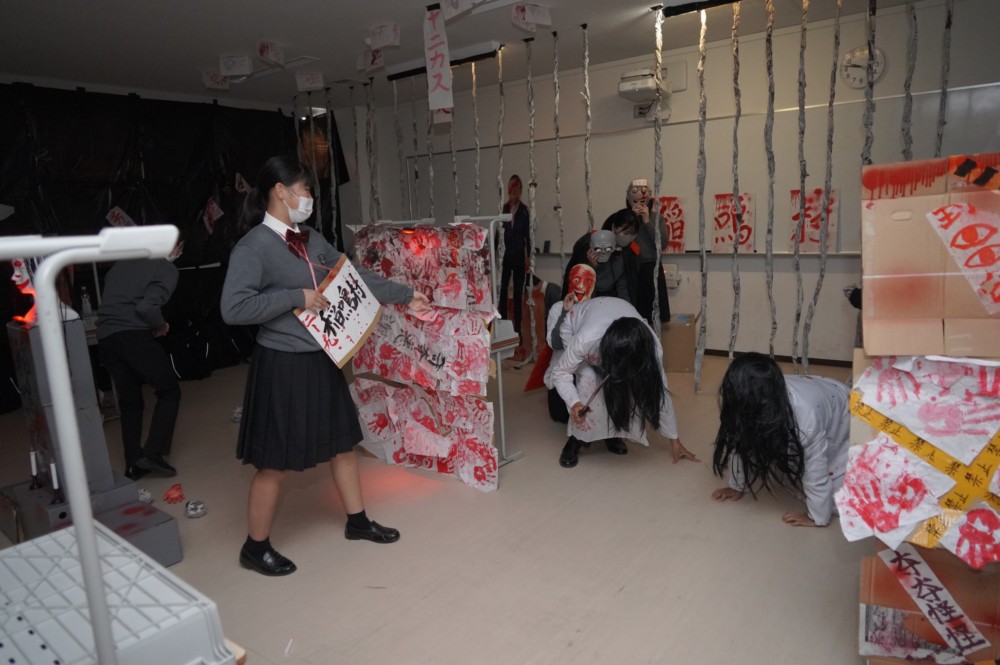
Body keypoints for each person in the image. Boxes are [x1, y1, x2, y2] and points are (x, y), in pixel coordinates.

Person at [221, 155, 432, 577]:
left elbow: (350, 275)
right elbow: (234, 308)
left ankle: (358, 521)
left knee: (341, 443)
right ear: (280, 192)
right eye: (305, 189)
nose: (309, 198)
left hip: (321, 355)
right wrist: (295, 297)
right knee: (275, 461)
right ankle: (255, 547)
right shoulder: (254, 246)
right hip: (282, 363)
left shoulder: (309, 238)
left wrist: (406, 295)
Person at [549, 296, 699, 468]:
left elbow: (660, 394)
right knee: (589, 381)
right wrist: (574, 403)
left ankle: (611, 434)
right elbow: (561, 372)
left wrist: (675, 440)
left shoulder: (652, 349)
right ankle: (576, 440)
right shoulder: (586, 339)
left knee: (624, 387)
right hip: (575, 325)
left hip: (614, 314)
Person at [710, 353, 851, 527]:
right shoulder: (739, 398)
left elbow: (816, 470)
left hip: (840, 405)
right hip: (811, 388)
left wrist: (817, 517)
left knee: (840, 499)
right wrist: (737, 486)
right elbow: (741, 440)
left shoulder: (806, 418)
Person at [96, 233, 185, 481]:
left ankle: (133, 465)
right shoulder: (166, 268)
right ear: (175, 246)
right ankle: (154, 453)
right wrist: (160, 325)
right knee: (169, 390)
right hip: (133, 336)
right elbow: (146, 307)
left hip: (106, 338)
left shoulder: (121, 265)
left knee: (130, 401)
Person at [561, 209, 641, 306]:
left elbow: (623, 285)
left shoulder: (627, 253)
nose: (629, 237)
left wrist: (628, 308)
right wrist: (591, 265)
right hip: (587, 297)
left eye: (633, 234)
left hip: (608, 297)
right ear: (614, 228)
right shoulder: (590, 243)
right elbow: (577, 279)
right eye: (626, 232)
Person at [621, 179, 671, 325]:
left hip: (651, 268)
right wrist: (631, 220)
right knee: (632, 313)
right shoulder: (622, 217)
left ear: (649, 195)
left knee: (654, 315)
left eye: (644, 191)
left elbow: (662, 244)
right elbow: (619, 241)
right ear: (628, 196)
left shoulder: (657, 218)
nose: (639, 195)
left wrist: (647, 221)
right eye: (634, 191)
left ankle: (653, 338)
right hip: (629, 268)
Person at [497, 174, 530, 337]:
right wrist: (495, 254)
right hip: (505, 257)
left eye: (517, 188)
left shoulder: (524, 211)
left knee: (518, 293)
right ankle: (503, 324)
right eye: (512, 187)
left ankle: (517, 329)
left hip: (519, 258)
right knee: (502, 290)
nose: (514, 190)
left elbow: (528, 236)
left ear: (521, 191)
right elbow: (498, 233)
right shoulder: (502, 209)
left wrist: (529, 257)